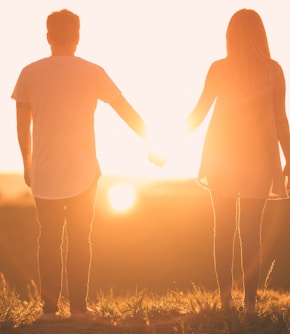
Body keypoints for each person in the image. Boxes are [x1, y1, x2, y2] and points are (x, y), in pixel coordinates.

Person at [11, 9, 147, 320]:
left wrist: (27, 162)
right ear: (78, 37)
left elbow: (22, 126)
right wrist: (152, 141)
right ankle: (79, 309)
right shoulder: (92, 71)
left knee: (48, 239)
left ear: (47, 37)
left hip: (44, 171)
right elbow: (124, 109)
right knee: (79, 239)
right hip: (84, 172)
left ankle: (48, 311)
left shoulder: (29, 73)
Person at [187, 9, 290, 312]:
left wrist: (165, 145)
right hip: (259, 158)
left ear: (230, 35)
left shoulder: (220, 68)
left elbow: (199, 111)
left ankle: (224, 300)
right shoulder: (273, 70)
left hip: (222, 155)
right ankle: (249, 304)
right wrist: (289, 157)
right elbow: (281, 121)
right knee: (251, 232)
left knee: (224, 229)